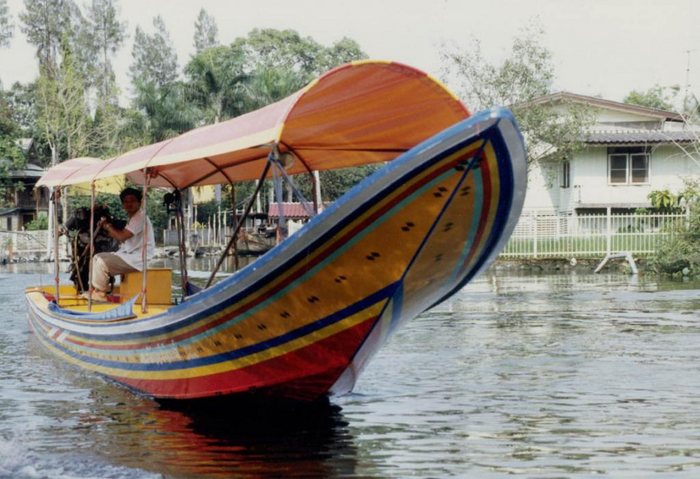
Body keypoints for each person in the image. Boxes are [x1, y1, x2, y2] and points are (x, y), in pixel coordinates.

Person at [84, 187, 155, 302]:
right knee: (96, 257)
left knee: (101, 262)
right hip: (130, 255)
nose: (129, 204)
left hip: (138, 258)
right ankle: (96, 290)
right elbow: (122, 238)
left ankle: (101, 293)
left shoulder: (140, 217)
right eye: (126, 201)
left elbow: (121, 236)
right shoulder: (133, 218)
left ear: (139, 202)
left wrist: (107, 226)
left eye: (132, 201)